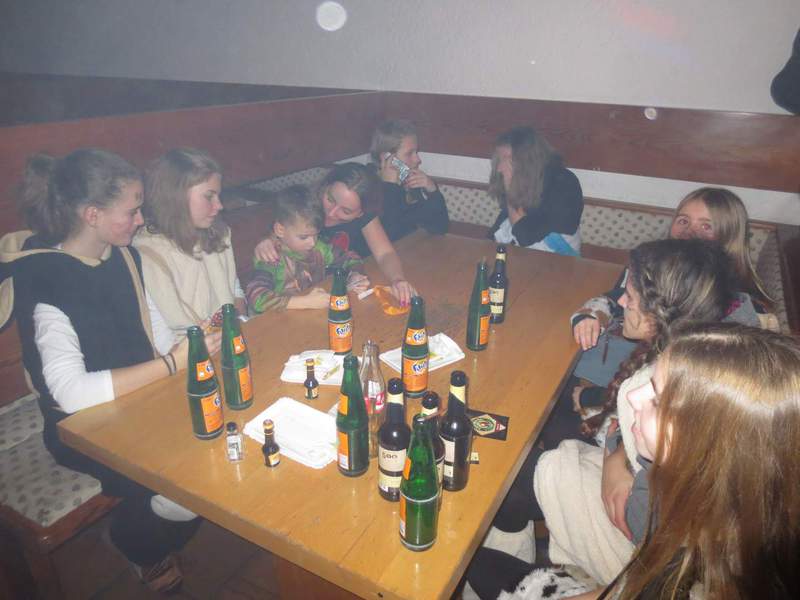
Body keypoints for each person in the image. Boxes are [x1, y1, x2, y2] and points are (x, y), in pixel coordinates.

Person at [0, 149, 221, 592]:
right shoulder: (45, 278)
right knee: (188, 485)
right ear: (92, 215)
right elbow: (70, 394)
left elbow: (153, 328)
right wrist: (169, 364)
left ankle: (147, 527)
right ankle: (137, 544)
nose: (141, 220)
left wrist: (185, 347)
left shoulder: (123, 256)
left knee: (217, 443)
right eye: (132, 211)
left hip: (138, 403)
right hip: (81, 427)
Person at [467, 238, 742, 595]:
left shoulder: (684, 396)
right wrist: (619, 456)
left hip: (640, 552)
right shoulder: (689, 356)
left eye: (630, 296)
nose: (622, 302)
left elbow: (654, 540)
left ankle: (500, 568)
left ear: (659, 311)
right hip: (629, 487)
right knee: (515, 476)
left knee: (480, 546)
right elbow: (622, 429)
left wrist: (620, 462)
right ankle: (509, 555)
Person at [486, 323, 800, 599]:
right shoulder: (736, 496)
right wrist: (618, 458)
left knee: (479, 562)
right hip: (640, 560)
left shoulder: (711, 574)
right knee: (513, 483)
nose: (633, 396)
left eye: (657, 400)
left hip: (636, 556)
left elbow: (642, 583)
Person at [568, 187, 775, 426]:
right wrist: (590, 315)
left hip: (623, 402)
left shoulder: (731, 319)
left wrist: (593, 397)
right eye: (683, 221)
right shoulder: (657, 268)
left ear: (730, 238)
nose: (690, 232)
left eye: (706, 226)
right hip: (619, 373)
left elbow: (676, 401)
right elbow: (615, 298)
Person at [254, 162, 417, 305]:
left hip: (335, 291)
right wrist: (268, 240)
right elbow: (281, 232)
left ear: (361, 213)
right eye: (330, 199)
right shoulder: (305, 207)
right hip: (299, 298)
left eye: (346, 211)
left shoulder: (365, 216)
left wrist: (398, 280)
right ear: (325, 187)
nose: (331, 213)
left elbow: (385, 253)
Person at [134, 148, 246, 335]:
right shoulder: (148, 254)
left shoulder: (217, 233)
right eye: (209, 196)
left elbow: (233, 288)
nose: (219, 205)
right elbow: (160, 333)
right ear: (176, 196)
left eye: (218, 196)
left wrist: (240, 323)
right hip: (187, 348)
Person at [246, 184, 369, 312]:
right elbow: (257, 298)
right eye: (304, 237)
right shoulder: (271, 258)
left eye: (316, 235)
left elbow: (350, 258)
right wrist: (305, 302)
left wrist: (355, 275)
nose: (312, 243)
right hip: (277, 320)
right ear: (280, 230)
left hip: (311, 314)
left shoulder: (319, 248)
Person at [488, 126, 583, 256]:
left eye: (505, 159)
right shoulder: (523, 179)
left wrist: (510, 186)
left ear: (526, 159)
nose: (499, 168)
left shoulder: (564, 183)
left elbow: (524, 235)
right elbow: (504, 219)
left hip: (558, 257)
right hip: (527, 250)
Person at [369, 119, 449, 240]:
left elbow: (440, 228)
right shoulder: (369, 188)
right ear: (387, 157)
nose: (418, 160)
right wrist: (390, 187)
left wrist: (433, 191)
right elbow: (391, 237)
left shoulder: (409, 182)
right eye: (409, 153)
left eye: (416, 152)